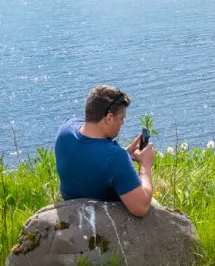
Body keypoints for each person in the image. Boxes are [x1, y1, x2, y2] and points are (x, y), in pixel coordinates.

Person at [54, 85, 156, 217]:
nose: (122, 123)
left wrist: (125, 154)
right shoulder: (116, 158)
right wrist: (145, 165)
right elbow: (141, 208)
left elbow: (90, 154)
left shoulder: (65, 129)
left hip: (70, 206)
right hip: (102, 217)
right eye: (121, 118)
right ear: (109, 118)